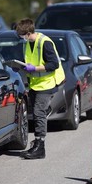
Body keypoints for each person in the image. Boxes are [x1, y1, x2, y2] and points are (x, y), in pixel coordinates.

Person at [15, 18, 65, 159]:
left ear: (29, 33)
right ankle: (36, 144)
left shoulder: (45, 43)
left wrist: (34, 68)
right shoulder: (27, 44)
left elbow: (53, 64)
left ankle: (40, 147)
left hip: (47, 83)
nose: (21, 38)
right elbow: (28, 61)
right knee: (38, 113)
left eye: (22, 35)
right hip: (35, 83)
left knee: (38, 113)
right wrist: (21, 66)